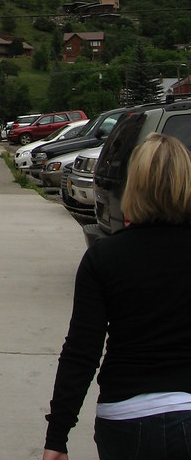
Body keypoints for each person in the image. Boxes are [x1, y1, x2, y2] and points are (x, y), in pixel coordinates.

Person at [43, 133, 191, 460]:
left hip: (125, 418)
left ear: (132, 186)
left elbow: (82, 351)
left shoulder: (104, 257)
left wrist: (57, 435)